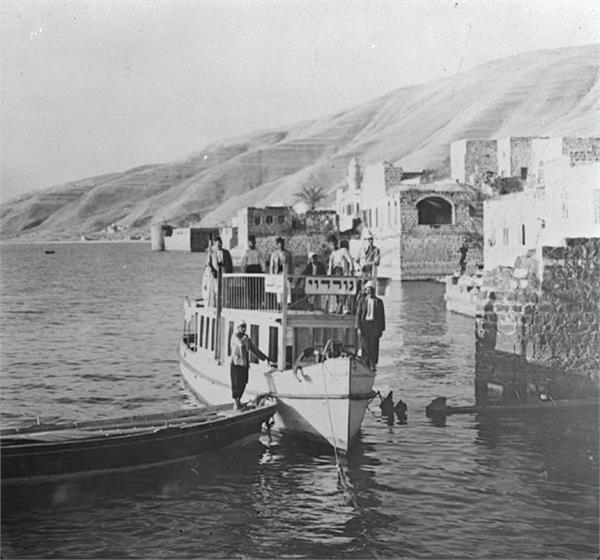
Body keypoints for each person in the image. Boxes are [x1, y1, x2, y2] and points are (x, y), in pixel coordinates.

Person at [230, 320, 272, 409]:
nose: (244, 328)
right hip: (236, 364)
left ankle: (238, 402)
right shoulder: (235, 337)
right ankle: (236, 403)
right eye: (242, 327)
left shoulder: (246, 338)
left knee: (243, 383)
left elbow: (254, 350)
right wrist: (245, 361)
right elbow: (241, 346)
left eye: (245, 326)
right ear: (238, 328)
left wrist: (265, 358)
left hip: (244, 365)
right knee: (236, 384)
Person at [355, 280, 385, 370]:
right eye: (368, 290)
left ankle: (373, 364)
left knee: (374, 345)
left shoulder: (379, 302)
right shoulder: (362, 301)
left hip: (374, 326)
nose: (369, 291)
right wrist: (358, 327)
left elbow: (382, 317)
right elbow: (358, 315)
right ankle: (365, 364)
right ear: (365, 291)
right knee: (365, 345)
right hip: (364, 325)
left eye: (371, 290)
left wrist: (381, 329)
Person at [241, 235, 265, 309]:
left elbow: (262, 263)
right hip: (249, 271)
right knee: (250, 289)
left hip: (257, 270)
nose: (251, 244)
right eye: (250, 242)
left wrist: (263, 272)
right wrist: (243, 273)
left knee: (258, 289)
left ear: (255, 243)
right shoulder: (246, 253)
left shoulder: (258, 252)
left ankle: (258, 304)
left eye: (253, 242)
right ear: (248, 243)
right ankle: (251, 304)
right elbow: (243, 264)